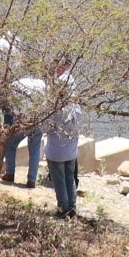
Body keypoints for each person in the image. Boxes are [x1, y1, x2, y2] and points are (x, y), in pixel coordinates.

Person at [43, 85, 84, 219]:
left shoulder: (54, 110)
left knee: (59, 180)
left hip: (56, 151)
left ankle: (63, 208)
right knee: (70, 178)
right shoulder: (76, 108)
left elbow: (44, 128)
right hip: (71, 150)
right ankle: (72, 207)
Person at [6, 69, 48, 189]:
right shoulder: (43, 85)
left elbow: (10, 103)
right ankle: (32, 180)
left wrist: (15, 118)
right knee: (34, 151)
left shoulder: (16, 84)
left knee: (10, 145)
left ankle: (10, 173)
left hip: (22, 121)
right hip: (37, 121)